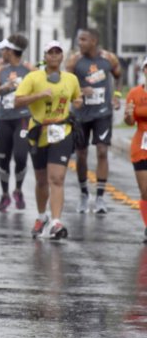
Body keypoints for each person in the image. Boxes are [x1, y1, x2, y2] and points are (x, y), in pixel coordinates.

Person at [15, 40, 82, 239]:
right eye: (50, 52)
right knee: (42, 180)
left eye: (57, 52)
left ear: (62, 56)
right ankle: (42, 215)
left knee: (57, 178)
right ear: (45, 56)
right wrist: (38, 95)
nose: (53, 55)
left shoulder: (71, 79)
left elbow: (76, 98)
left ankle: (56, 221)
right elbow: (17, 101)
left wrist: (78, 101)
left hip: (62, 131)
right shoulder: (33, 77)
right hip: (38, 132)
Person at [66, 28, 122, 214]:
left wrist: (116, 95)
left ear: (94, 41)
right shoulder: (74, 60)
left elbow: (118, 76)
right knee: (81, 154)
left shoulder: (109, 58)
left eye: (83, 39)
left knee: (102, 151)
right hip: (81, 114)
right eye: (78, 39)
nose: (79, 43)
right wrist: (80, 90)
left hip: (103, 113)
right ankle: (83, 194)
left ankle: (100, 197)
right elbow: (66, 84)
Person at [0, 34, 33, 212]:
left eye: (4, 49)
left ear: (12, 51)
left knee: (21, 156)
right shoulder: (1, 69)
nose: (1, 52)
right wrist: (4, 87)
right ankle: (5, 194)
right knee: (4, 158)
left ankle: (18, 190)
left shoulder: (29, 70)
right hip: (3, 119)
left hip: (23, 118)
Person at [124, 57, 147, 242]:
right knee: (145, 190)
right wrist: (128, 115)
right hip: (141, 144)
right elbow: (130, 121)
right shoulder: (134, 93)